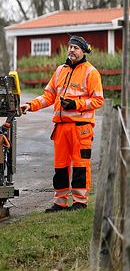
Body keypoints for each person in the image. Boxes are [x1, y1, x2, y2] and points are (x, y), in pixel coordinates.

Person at [19, 35, 103, 212]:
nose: (72, 50)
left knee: (80, 166)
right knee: (60, 166)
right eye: (70, 47)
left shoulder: (91, 72)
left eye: (76, 48)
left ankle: (80, 202)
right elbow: (48, 96)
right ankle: (60, 202)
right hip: (61, 128)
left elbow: (98, 100)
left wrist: (76, 104)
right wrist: (30, 105)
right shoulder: (60, 71)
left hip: (81, 129)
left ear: (83, 51)